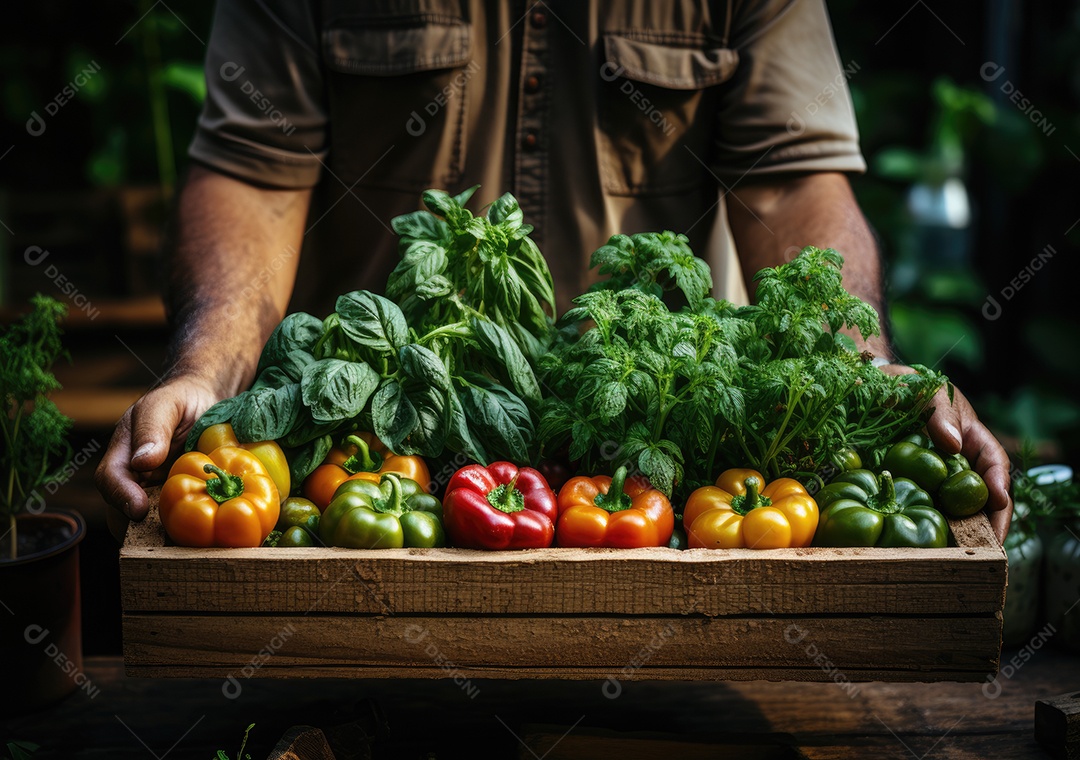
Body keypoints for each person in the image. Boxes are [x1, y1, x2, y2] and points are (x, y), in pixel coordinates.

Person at [96, 0, 1013, 541]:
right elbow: (253, 177)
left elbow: (795, 187)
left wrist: (861, 368)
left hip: (670, 464)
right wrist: (207, 370)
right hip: (381, 446)